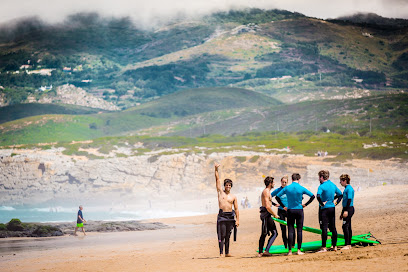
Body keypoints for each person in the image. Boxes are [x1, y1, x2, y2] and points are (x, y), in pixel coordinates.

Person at [276, 173, 315, 256]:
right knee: (299, 230)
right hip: (299, 210)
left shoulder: (287, 188)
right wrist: (305, 204)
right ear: (299, 179)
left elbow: (277, 197)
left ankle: (289, 251)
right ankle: (298, 250)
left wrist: (283, 206)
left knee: (290, 230)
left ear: (292, 179)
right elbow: (312, 196)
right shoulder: (301, 188)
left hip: (290, 210)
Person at [215, 163, 239, 257]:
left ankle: (227, 252)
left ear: (231, 186)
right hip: (222, 216)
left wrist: (237, 220)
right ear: (224, 186)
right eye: (226, 185)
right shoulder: (221, 193)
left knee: (228, 235)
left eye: (229, 185)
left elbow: (236, 209)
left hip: (230, 216)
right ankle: (221, 253)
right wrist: (216, 169)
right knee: (222, 235)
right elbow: (217, 179)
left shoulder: (233, 197)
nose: (228, 186)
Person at [316, 170, 343, 253]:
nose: (318, 179)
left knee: (324, 228)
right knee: (333, 227)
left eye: (319, 177)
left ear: (321, 177)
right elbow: (340, 195)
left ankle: (324, 247)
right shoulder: (332, 185)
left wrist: (322, 204)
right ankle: (334, 246)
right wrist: (335, 202)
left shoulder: (321, 186)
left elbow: (318, 196)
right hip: (332, 208)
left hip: (324, 209)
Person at [258, 176, 278, 257]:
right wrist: (275, 214)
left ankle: (263, 251)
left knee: (270, 233)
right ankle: (264, 251)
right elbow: (267, 206)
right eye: (273, 182)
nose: (274, 184)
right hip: (266, 214)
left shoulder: (268, 191)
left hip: (267, 214)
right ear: (270, 183)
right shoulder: (266, 191)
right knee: (269, 233)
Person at [271, 176, 291, 249]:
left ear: (287, 183)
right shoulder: (278, 190)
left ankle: (291, 244)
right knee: (283, 229)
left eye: (285, 182)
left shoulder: (289, 189)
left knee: (290, 228)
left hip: (289, 211)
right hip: (281, 211)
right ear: (281, 182)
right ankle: (285, 245)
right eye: (283, 182)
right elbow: (269, 197)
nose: (284, 183)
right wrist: (274, 204)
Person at [339, 174, 355, 250]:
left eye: (341, 181)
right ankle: (349, 244)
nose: (340, 182)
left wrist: (346, 211)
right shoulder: (346, 188)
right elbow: (344, 202)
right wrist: (342, 213)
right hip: (346, 208)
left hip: (349, 209)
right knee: (348, 226)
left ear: (345, 181)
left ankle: (348, 244)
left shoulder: (349, 189)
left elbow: (349, 200)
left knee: (345, 226)